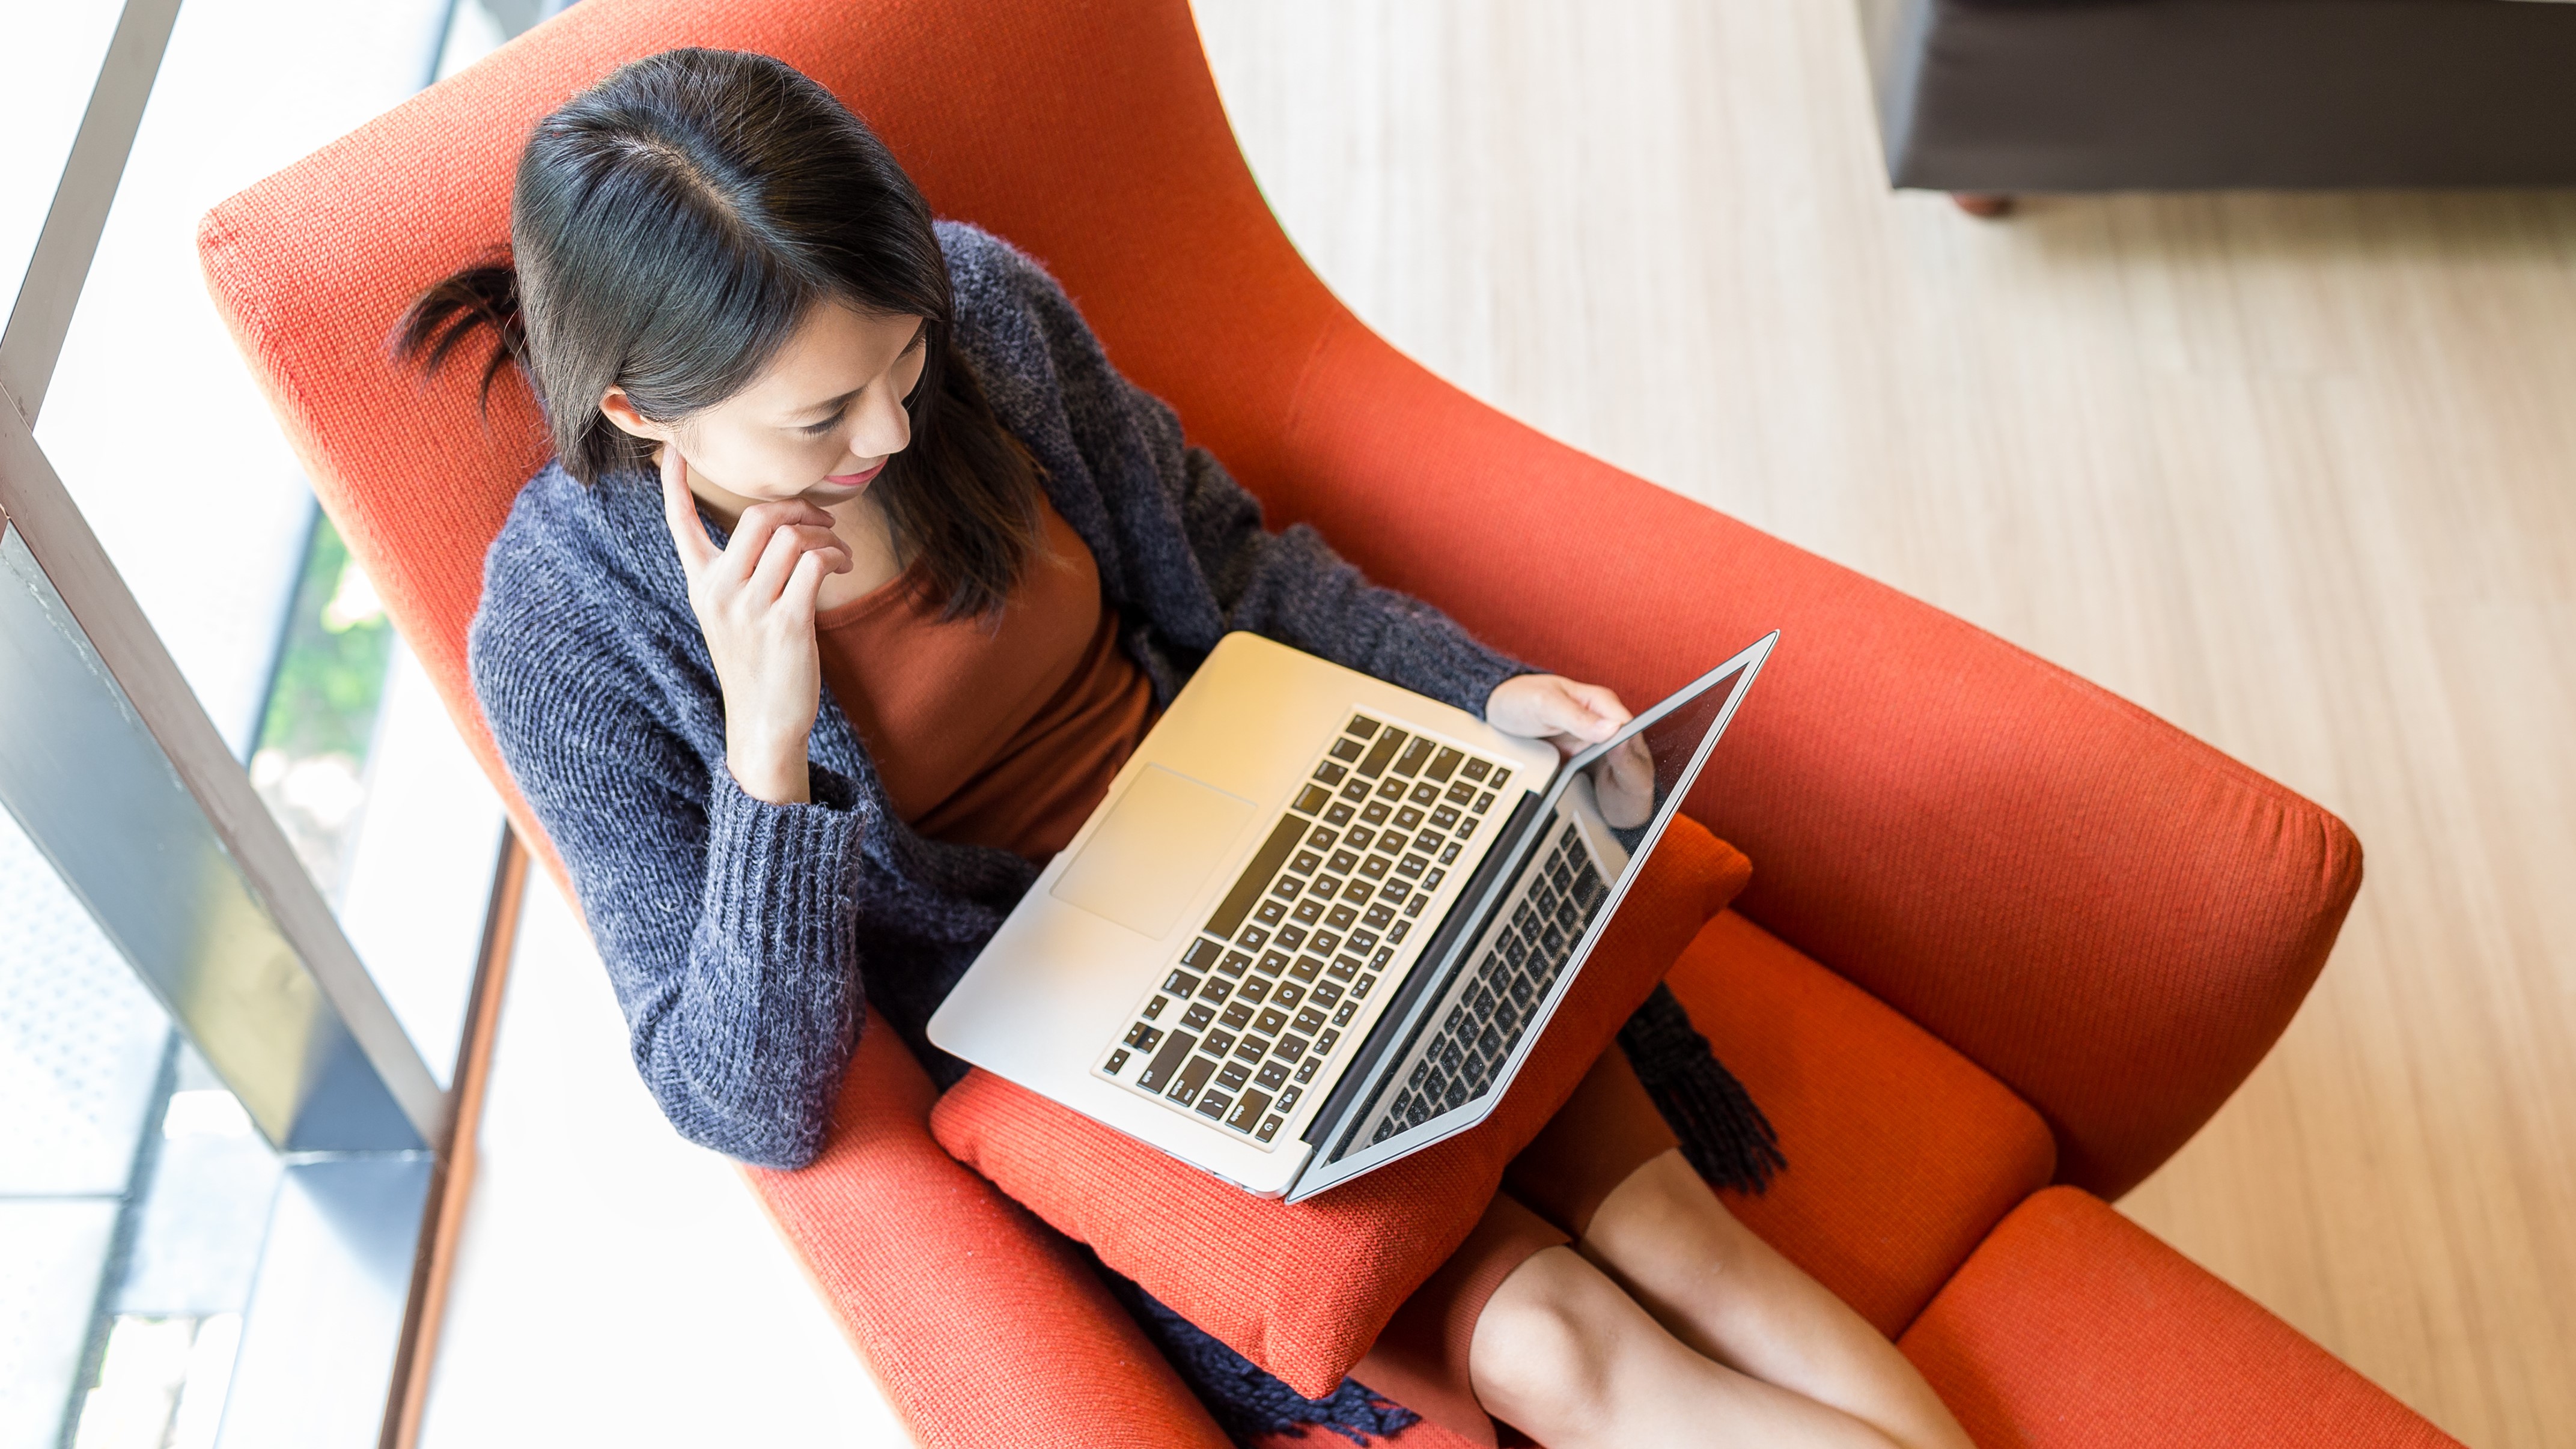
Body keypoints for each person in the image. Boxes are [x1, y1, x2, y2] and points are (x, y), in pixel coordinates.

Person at [410, 47, 1972, 1449]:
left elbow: (1236, 570)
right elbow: (741, 1094)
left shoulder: (991, 313)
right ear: (641, 406)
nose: (889, 436)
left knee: (1695, 1247)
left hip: (1282, 833)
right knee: (1563, 1346)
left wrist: (1486, 695)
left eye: (905, 368)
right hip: (1100, 1035)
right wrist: (768, 757)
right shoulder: (564, 636)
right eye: (822, 418)